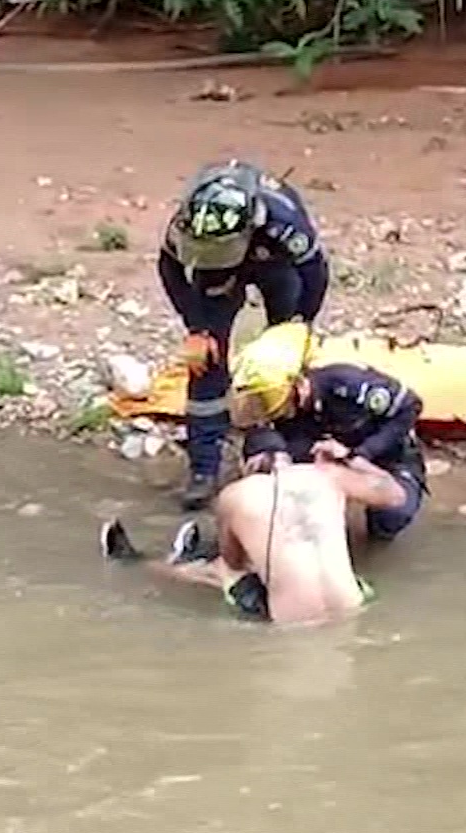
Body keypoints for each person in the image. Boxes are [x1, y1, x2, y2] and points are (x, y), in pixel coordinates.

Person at [159, 159, 331, 511]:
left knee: (281, 365)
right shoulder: (187, 224)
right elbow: (170, 267)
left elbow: (314, 271)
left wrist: (299, 327)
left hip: (276, 265)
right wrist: (195, 326)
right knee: (207, 363)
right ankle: (204, 469)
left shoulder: (284, 223)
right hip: (216, 273)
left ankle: (285, 448)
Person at [99, 452, 379, 627]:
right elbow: (394, 495)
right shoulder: (327, 478)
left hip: (291, 621)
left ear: (247, 467)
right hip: (354, 606)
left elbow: (233, 559)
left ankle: (137, 562)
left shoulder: (237, 495)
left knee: (224, 570)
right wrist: (356, 458)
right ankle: (187, 554)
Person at [227, 322, 428, 546]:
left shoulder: (346, 384)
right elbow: (263, 437)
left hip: (381, 453)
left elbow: (410, 406)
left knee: (393, 514)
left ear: (299, 384)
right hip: (321, 450)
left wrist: (361, 453)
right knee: (269, 464)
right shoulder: (281, 412)